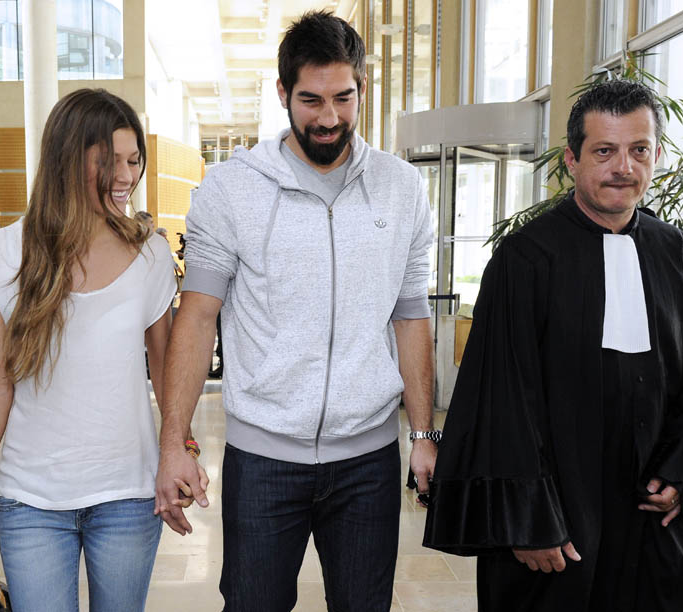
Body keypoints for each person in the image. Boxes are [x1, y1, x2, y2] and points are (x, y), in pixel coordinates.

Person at [154, 10, 436, 610]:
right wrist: (173, 442)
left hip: (368, 460)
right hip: (263, 459)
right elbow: (197, 316)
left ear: (364, 89)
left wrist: (423, 433)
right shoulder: (231, 189)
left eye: (344, 97)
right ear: (282, 93)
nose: (329, 118)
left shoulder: (402, 188)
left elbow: (411, 316)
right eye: (310, 100)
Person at [423, 79, 683, 612]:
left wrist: (681, 474)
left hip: (648, 519)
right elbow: (499, 405)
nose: (622, 168)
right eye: (604, 151)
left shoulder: (675, 252)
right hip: (555, 524)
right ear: (572, 158)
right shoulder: (524, 259)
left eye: (638, 150)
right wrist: (526, 520)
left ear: (655, 155)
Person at [0, 88, 187, 612]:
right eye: (110, 162)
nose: (127, 176)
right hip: (32, 501)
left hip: (128, 496)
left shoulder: (150, 254)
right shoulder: (1, 255)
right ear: (68, 158)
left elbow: (170, 370)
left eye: (134, 161)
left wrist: (181, 452)